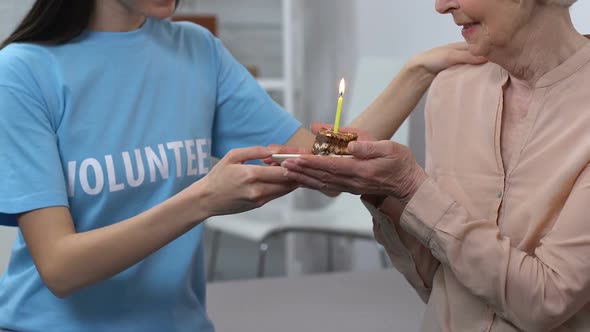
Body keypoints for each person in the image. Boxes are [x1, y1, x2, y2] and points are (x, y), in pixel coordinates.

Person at [0, 0, 484, 331]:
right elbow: (60, 267)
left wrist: (418, 71)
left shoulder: (195, 50)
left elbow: (322, 166)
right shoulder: (23, 72)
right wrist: (204, 199)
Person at [281, 0, 590, 331]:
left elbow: (546, 300)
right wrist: (384, 190)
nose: (441, 5)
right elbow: (436, 280)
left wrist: (413, 188)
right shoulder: (452, 88)